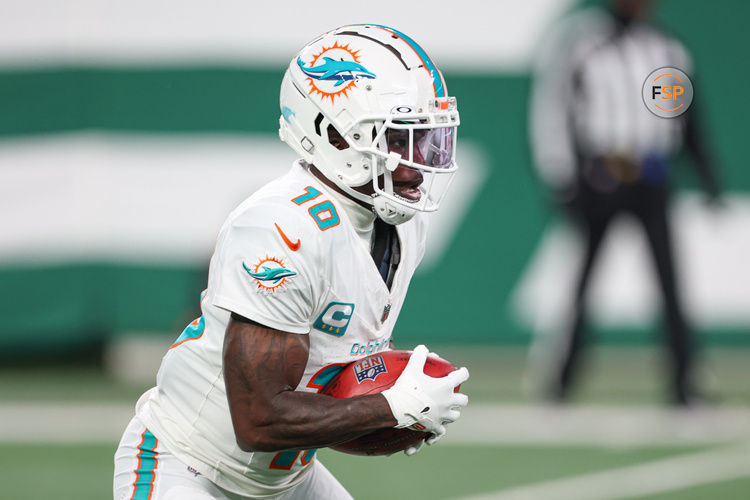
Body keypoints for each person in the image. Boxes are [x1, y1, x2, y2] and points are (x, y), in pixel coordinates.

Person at [113, 24, 469, 500]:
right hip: (190, 467)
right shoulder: (282, 229)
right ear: (336, 136)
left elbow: (325, 377)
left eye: (425, 140)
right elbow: (258, 420)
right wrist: (389, 408)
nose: (416, 165)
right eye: (399, 140)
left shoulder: (403, 223)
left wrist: (388, 408)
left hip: (285, 481)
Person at [528, 0, 721, 406]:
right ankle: (560, 382)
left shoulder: (668, 49)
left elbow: (688, 116)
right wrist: (562, 175)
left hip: (652, 176)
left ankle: (685, 385)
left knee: (670, 284)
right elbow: (554, 109)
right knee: (582, 285)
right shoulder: (584, 45)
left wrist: (707, 176)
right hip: (603, 176)